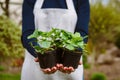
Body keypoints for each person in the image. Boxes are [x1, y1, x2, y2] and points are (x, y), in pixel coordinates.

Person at [21, 0, 90, 80]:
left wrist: (74, 52)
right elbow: (28, 34)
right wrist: (41, 55)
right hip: (35, 64)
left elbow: (82, 33)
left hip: (69, 68)